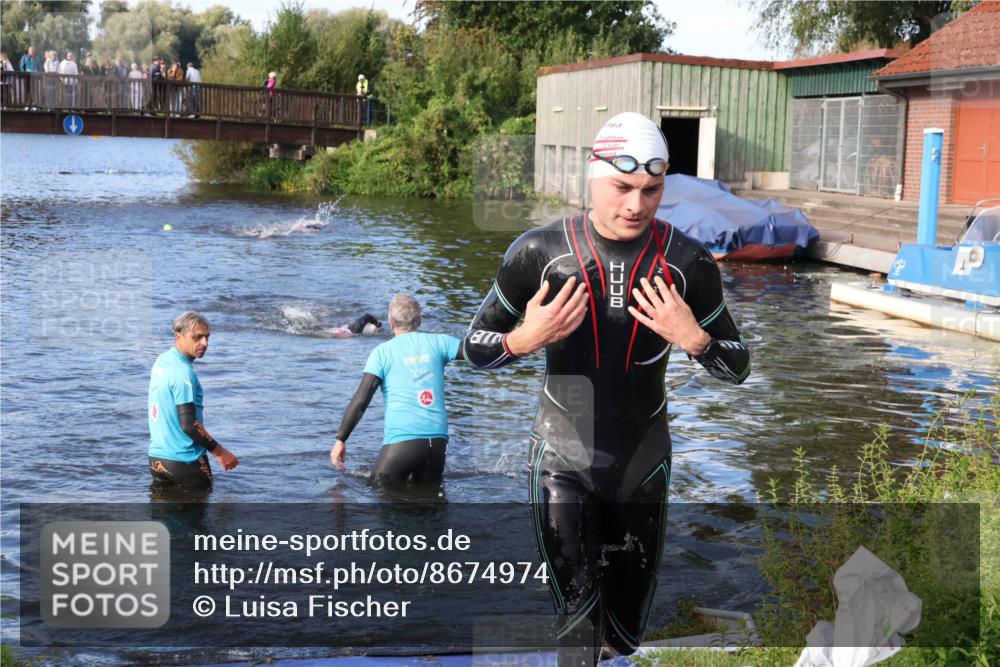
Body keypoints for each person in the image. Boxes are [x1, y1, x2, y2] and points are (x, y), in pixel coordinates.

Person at [463, 112, 751, 665]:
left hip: (642, 461)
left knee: (624, 628)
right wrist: (523, 340)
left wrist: (696, 341)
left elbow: (738, 366)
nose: (636, 205)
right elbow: (475, 346)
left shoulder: (687, 262)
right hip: (562, 457)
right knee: (576, 616)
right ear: (592, 177)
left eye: (651, 190)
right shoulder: (539, 252)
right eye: (622, 187)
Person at [331, 295, 463, 486]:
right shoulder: (441, 342)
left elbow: (362, 399)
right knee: (430, 509)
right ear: (419, 321)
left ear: (391, 323)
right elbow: (476, 351)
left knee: (376, 494)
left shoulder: (382, 352)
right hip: (438, 445)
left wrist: (340, 439)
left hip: (403, 442)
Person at [148, 311, 239, 489]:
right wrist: (220, 453)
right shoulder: (183, 373)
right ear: (178, 336)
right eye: (197, 337)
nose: (204, 343)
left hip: (157, 459)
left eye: (207, 337)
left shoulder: (162, 361)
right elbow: (189, 425)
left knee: (165, 516)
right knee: (202, 516)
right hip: (186, 462)